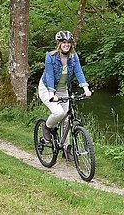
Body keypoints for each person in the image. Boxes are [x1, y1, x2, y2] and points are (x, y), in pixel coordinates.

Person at [38, 30, 92, 159]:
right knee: (58, 113)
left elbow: (79, 72)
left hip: (63, 89)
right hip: (47, 88)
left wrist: (86, 88)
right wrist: (52, 94)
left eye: (68, 42)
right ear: (59, 43)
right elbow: (50, 75)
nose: (66, 45)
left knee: (66, 119)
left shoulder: (74, 57)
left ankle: (66, 149)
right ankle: (47, 127)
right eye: (64, 42)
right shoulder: (50, 56)